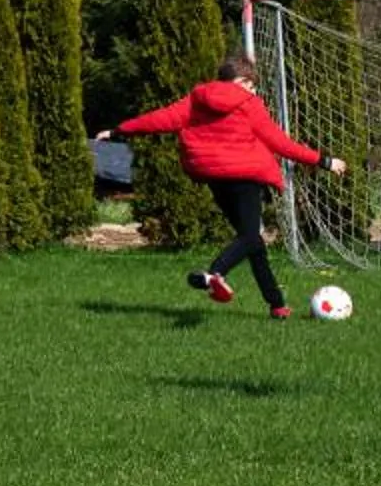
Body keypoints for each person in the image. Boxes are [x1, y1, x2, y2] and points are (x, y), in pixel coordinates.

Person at [96, 54, 346, 318]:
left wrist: (118, 130)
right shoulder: (249, 103)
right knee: (250, 237)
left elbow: (161, 119)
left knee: (253, 241)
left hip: (214, 177)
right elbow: (279, 143)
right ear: (240, 81)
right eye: (251, 85)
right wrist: (324, 161)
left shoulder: (196, 99)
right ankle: (215, 272)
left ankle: (277, 304)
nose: (254, 91)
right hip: (246, 175)